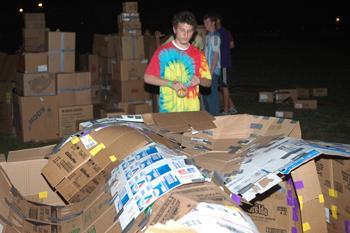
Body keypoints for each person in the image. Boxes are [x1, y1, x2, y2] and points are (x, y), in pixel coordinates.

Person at [144, 11, 212, 113]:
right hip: (168, 112)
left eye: (189, 31)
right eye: (182, 30)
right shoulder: (162, 52)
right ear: (174, 29)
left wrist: (199, 80)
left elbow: (208, 82)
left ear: (194, 32)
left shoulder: (198, 54)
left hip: (192, 112)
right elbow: (148, 78)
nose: (186, 34)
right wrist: (170, 84)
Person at [216, 14, 238, 114]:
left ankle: (225, 110)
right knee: (221, 86)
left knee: (224, 87)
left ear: (218, 21)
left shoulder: (219, 33)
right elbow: (232, 45)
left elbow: (231, 45)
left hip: (223, 63)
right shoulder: (226, 32)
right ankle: (232, 107)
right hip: (221, 64)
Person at [202, 13, 221, 116]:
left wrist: (210, 72)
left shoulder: (215, 37)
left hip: (212, 71)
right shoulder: (208, 36)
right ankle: (209, 117)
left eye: (207, 22)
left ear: (213, 23)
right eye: (204, 22)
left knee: (212, 95)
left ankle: (215, 118)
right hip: (206, 71)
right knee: (205, 95)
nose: (205, 24)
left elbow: (216, 56)